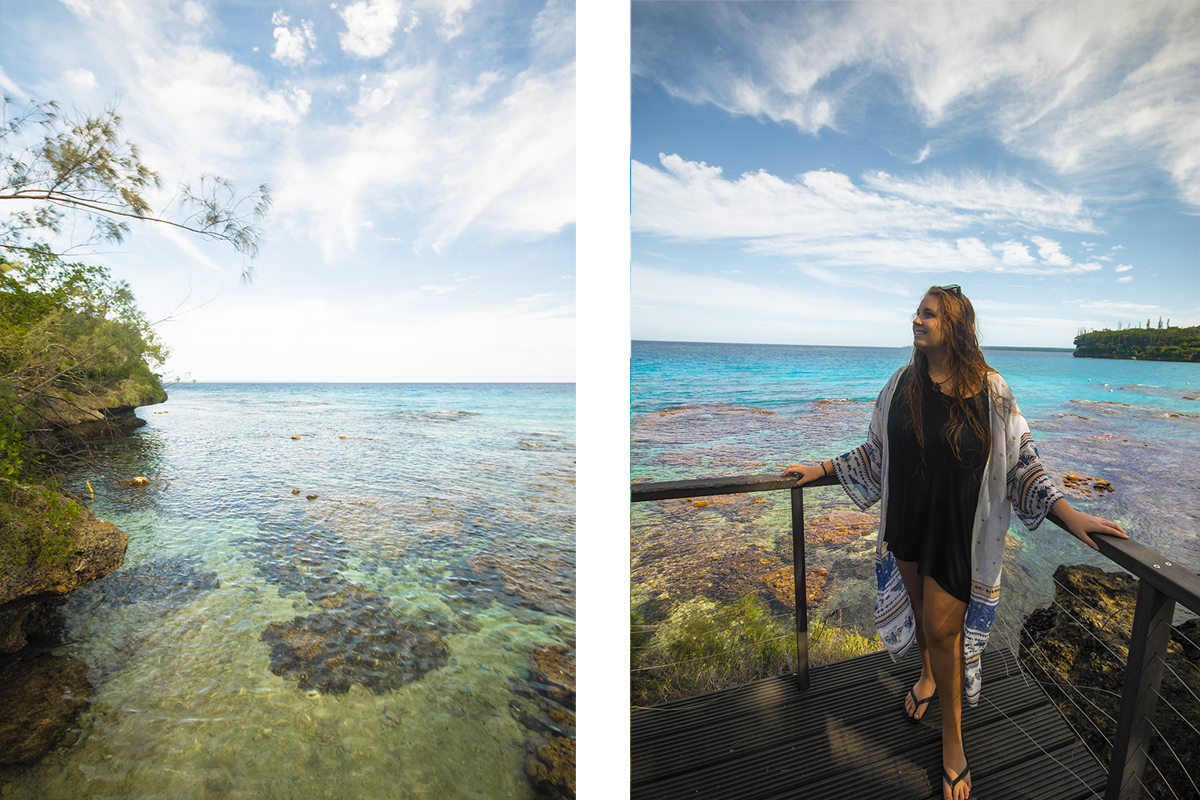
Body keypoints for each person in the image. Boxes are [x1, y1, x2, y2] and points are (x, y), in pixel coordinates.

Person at [782, 285, 1128, 800]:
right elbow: (877, 450)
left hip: (957, 533)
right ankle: (925, 678)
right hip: (907, 523)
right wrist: (823, 468)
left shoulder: (992, 391)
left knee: (946, 634)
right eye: (917, 312)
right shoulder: (900, 384)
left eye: (929, 314)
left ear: (957, 327)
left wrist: (1069, 512)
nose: (917, 320)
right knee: (924, 619)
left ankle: (953, 744)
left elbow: (1022, 462)